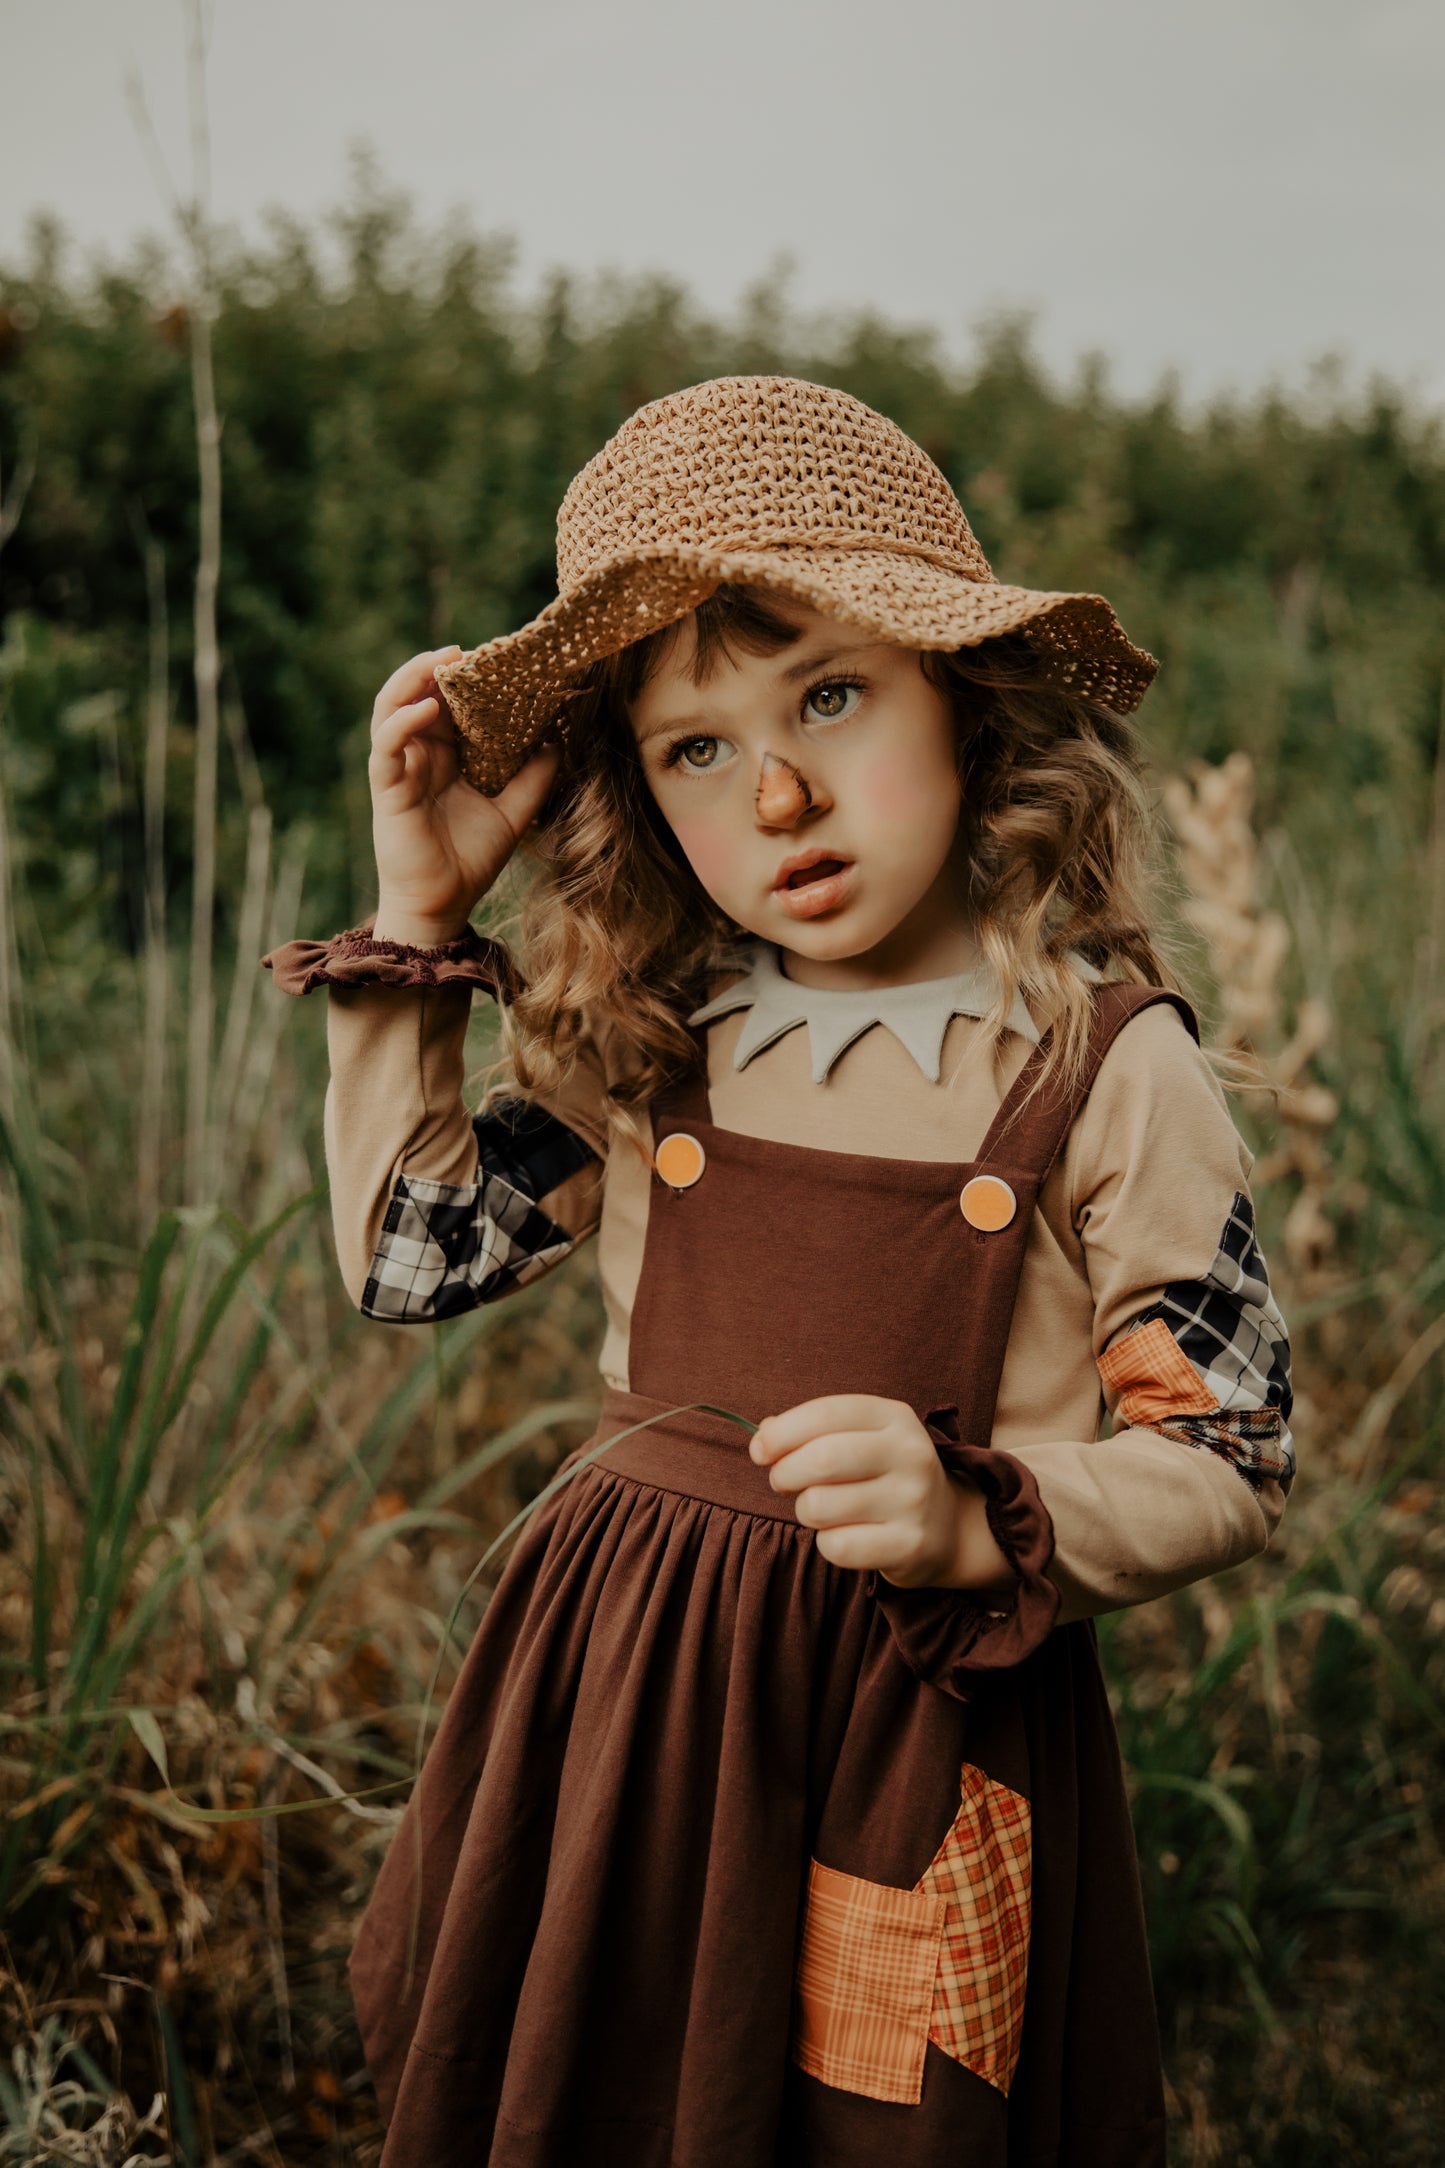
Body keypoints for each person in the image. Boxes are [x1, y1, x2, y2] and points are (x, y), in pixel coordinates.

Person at [265, 376, 1293, 2168]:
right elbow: (408, 1260)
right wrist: (421, 920)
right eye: (698, 750)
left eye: (830, 695)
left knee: (866, 2119)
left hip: (913, 1719)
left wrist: (989, 1515)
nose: (783, 792)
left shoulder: (1098, 1064)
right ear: (641, 797)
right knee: (607, 2084)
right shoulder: (655, 1033)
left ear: (963, 702)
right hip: (625, 1701)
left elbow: (1229, 1451)